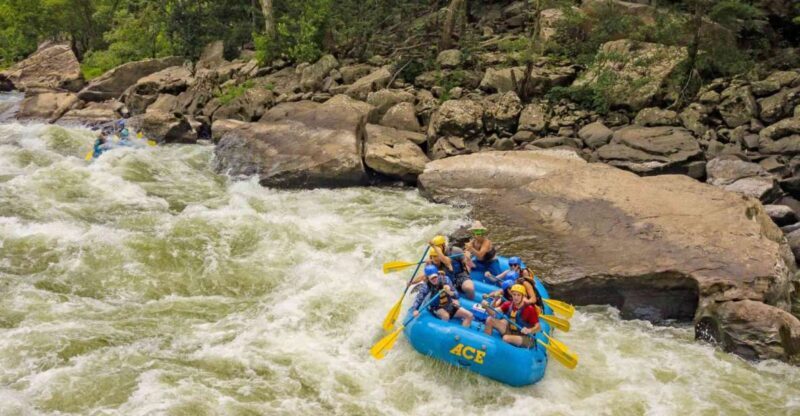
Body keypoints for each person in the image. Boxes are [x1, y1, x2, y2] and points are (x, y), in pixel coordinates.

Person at [428, 235, 474, 300]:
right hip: (447, 280)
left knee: (469, 287)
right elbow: (427, 272)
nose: (437, 249)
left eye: (438, 247)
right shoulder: (434, 255)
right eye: (436, 247)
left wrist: (468, 259)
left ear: (443, 245)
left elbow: (467, 264)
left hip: (460, 276)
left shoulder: (455, 250)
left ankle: (471, 300)